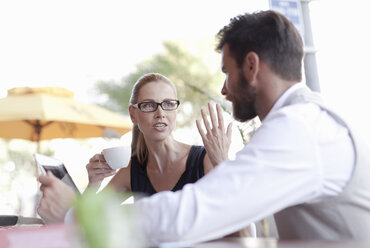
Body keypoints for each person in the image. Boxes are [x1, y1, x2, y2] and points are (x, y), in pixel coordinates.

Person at [129, 10, 370, 245]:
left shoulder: (299, 127)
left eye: (227, 72)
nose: (224, 90)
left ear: (251, 66)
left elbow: (200, 210)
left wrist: (104, 220)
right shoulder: (308, 118)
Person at [37, 72, 233, 224]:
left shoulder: (205, 159)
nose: (160, 113)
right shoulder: (132, 170)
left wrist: (222, 161)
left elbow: (235, 212)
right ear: (133, 114)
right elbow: (87, 221)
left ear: (175, 110)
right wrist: (94, 182)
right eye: (149, 105)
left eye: (168, 104)